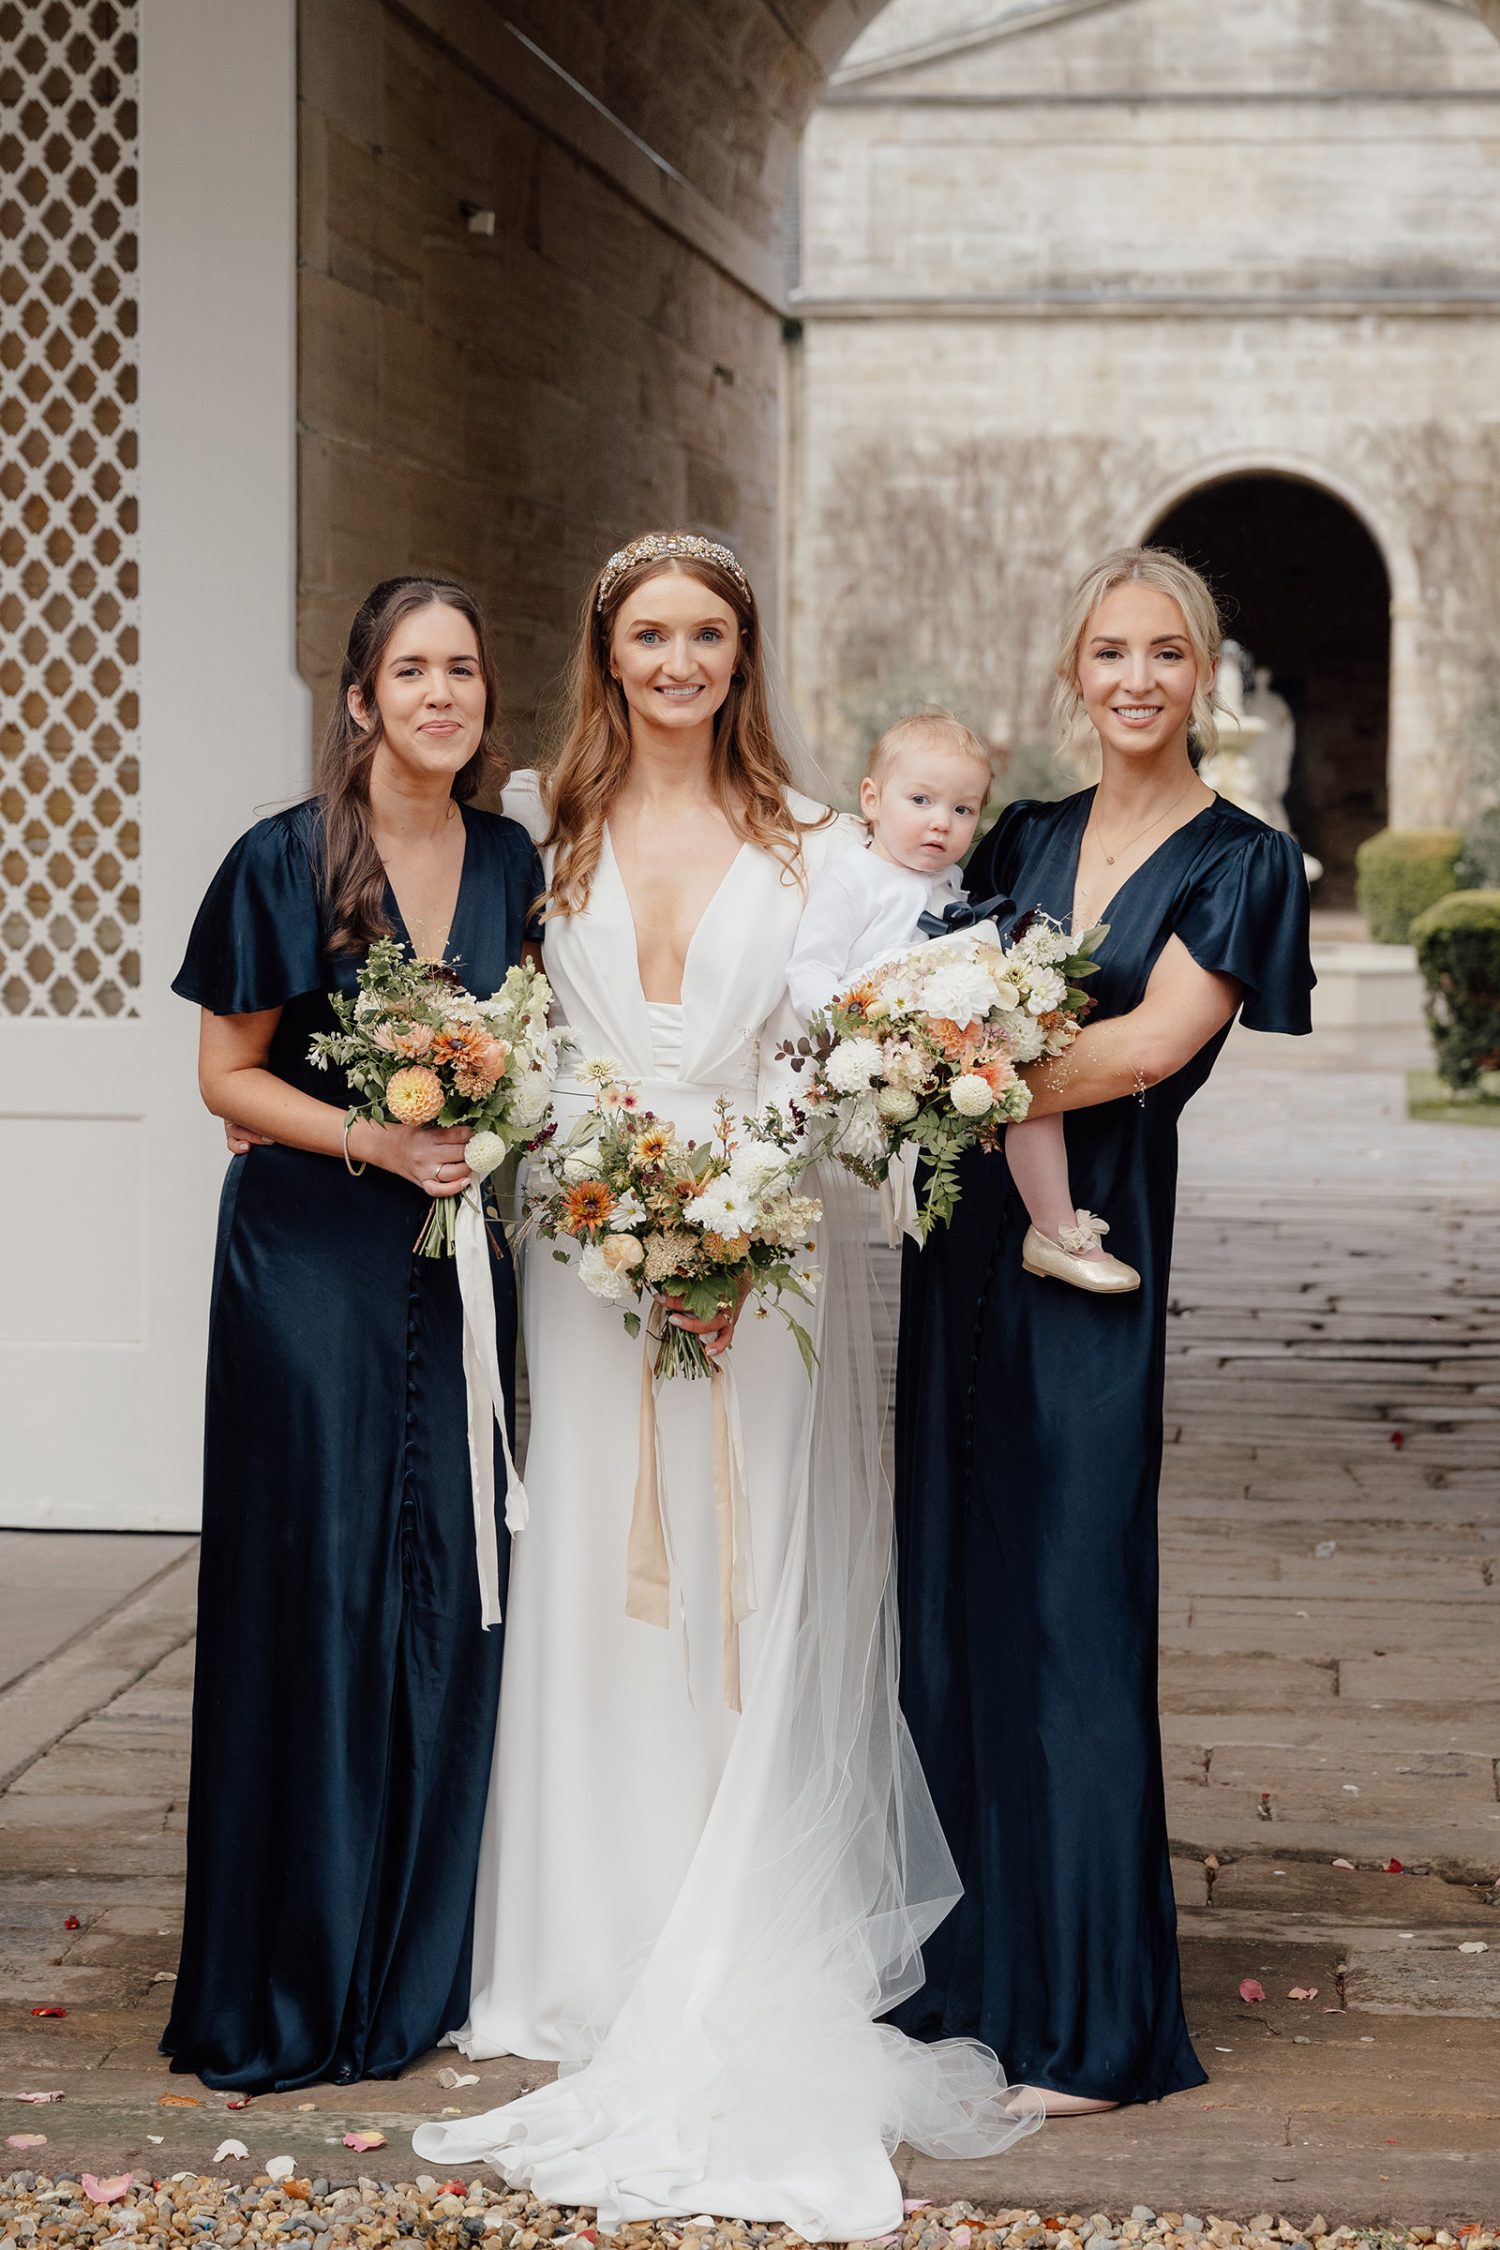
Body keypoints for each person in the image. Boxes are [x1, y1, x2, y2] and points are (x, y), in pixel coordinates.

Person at [412, 531, 1041, 2237]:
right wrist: (591, 1171)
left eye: (705, 634)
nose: (677, 659)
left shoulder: (813, 839)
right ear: (607, 652)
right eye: (649, 633)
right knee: (595, 1583)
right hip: (584, 1243)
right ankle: (584, 1949)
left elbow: (843, 1039)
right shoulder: (541, 819)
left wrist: (756, 1177)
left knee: (756, 1566)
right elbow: (508, 1026)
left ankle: (748, 1912)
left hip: (764, 1247)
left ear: (740, 655)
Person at [893, 547, 1314, 2114]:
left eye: (1167, 652)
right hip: (963, 1262)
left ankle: (1094, 2024)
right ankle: (976, 1979)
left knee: (1070, 1618)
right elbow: (899, 959)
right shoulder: (1020, 833)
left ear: (1204, 675)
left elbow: (1144, 1046)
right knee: (947, 1608)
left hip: (1096, 1260)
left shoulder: (1239, 861)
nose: (1136, 676)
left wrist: (941, 1060)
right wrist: (901, 1053)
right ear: (1075, 669)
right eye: (1109, 650)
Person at [164, 577, 541, 2091]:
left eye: (462, 667)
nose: (440, 692)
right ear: (362, 698)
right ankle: (290, 1969)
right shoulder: (283, 857)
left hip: (461, 1266)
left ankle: (415, 1961)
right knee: (319, 1595)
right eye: (412, 669)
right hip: (312, 1265)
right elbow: (225, 1077)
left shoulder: (517, 860)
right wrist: (369, 1144)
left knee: (452, 1591)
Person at [786, 707, 1139, 1291]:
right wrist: (851, 1040)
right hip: (878, 1050)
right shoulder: (855, 878)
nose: (940, 824)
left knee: (1027, 1089)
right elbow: (811, 969)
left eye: (962, 810)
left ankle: (1056, 1228)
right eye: (920, 800)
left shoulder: (949, 884)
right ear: (872, 800)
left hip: (944, 1042)